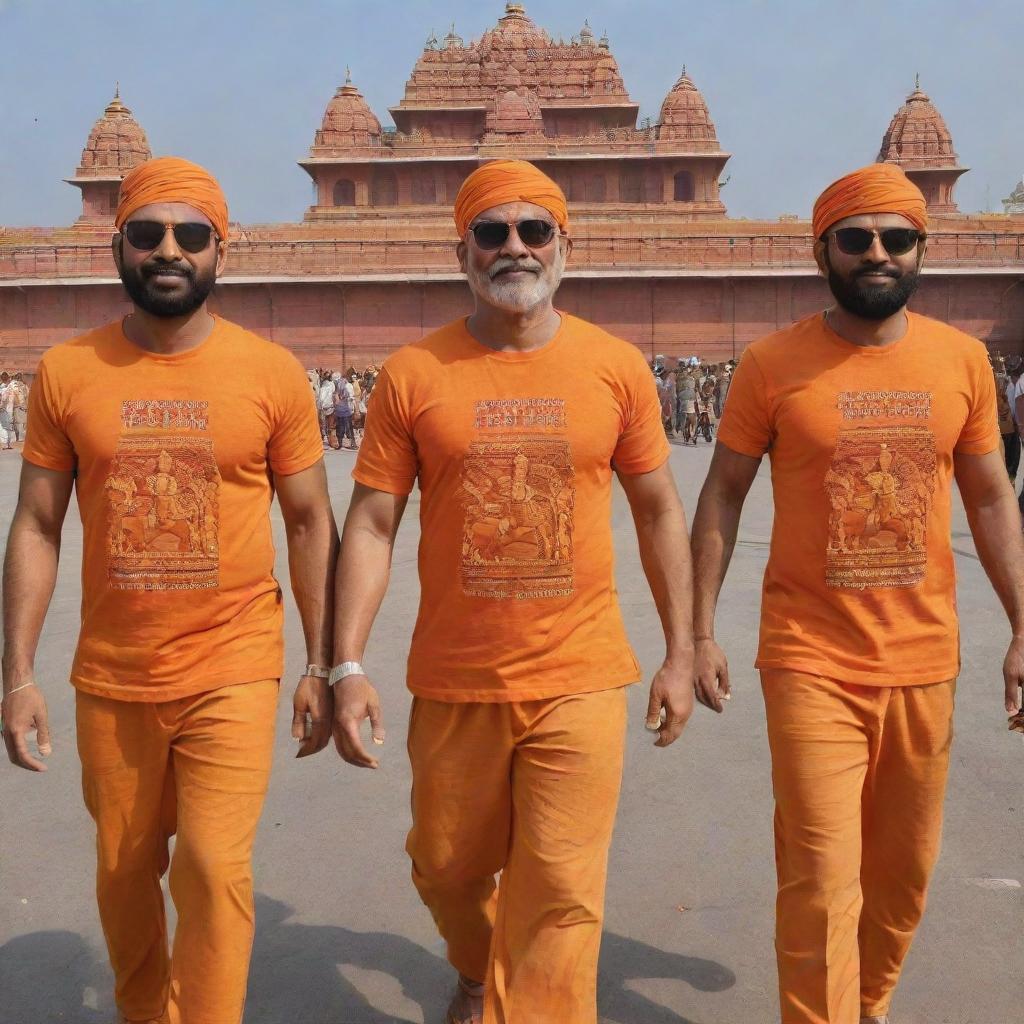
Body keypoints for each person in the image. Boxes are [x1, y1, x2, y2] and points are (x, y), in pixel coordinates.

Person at [329, 159, 695, 1024]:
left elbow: (657, 513)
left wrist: (684, 649)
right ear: (462, 251)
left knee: (563, 893)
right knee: (446, 866)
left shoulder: (615, 367)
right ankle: (473, 959)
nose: (516, 248)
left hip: (580, 674)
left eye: (536, 231)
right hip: (456, 676)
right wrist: (346, 664)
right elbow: (373, 525)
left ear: (567, 245)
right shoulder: (414, 374)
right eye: (493, 232)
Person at [0, 156, 339, 1024]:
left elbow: (309, 522)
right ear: (117, 243)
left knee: (215, 868)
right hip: (112, 674)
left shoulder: (269, 374)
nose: (168, 251)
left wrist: (327, 663)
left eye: (191, 236)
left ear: (222, 251)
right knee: (123, 873)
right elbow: (37, 523)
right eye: (147, 234)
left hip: (233, 662)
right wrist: (18, 675)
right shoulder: (68, 373)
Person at [689, 162, 1024, 1024]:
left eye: (896, 239)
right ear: (822, 251)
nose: (877, 254)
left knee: (903, 874)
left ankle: (866, 1003)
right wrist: (697, 631)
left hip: (923, 658)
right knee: (819, 872)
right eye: (856, 239)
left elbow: (990, 496)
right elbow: (721, 492)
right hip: (809, 657)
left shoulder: (961, 364)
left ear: (922, 249)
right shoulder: (772, 366)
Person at [333, 373, 358, 450]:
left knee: (340, 427)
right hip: (346, 410)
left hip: (340, 410)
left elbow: (336, 400)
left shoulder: (337, 387)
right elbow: (351, 398)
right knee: (348, 427)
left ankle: (340, 444)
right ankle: (352, 444)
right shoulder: (348, 385)